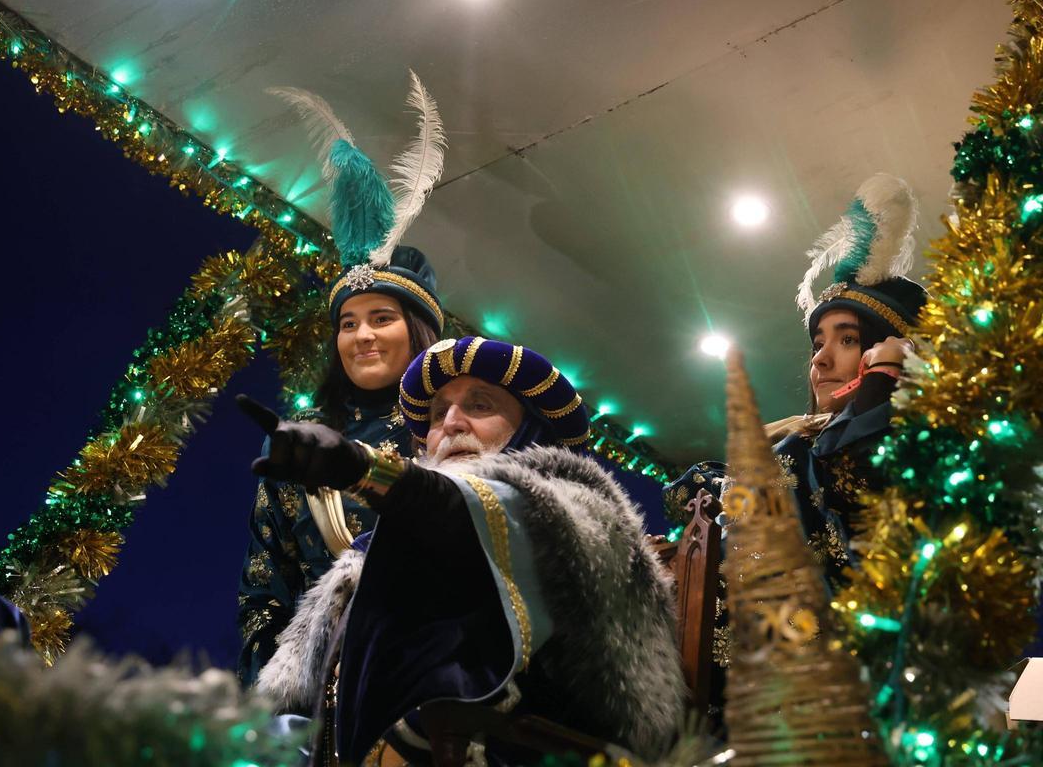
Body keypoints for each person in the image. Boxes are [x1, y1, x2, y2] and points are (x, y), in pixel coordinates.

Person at [241, 337, 685, 764]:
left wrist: (361, 468)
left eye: (479, 404)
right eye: (438, 413)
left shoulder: (581, 506)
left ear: (533, 430)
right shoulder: (373, 548)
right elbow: (299, 694)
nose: (450, 423)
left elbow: (473, 513)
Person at [237, 73, 449, 685]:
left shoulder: (455, 422)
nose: (362, 336)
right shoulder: (298, 443)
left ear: (417, 332)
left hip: (437, 676)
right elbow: (263, 588)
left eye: (381, 319)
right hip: (317, 690)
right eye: (348, 323)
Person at [771, 173, 927, 584]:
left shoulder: (917, 445)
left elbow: (858, 485)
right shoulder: (798, 440)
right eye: (818, 343)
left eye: (848, 339)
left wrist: (885, 377)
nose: (820, 358)